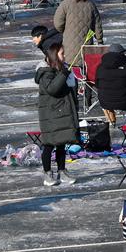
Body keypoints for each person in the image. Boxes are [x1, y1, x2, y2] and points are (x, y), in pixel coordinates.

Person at [35, 42, 78, 187]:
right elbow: (53, 89)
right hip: (51, 115)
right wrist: (64, 74)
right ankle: (47, 173)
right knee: (49, 144)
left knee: (61, 143)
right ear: (54, 55)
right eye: (61, 54)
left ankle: (62, 170)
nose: (64, 56)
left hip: (61, 112)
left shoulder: (59, 70)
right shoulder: (45, 73)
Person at [53, 0, 101, 70]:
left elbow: (58, 23)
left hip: (69, 44)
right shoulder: (90, 5)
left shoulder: (65, 4)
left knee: (71, 68)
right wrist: (100, 40)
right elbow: (97, 25)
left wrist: (64, 30)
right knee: (85, 68)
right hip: (87, 44)